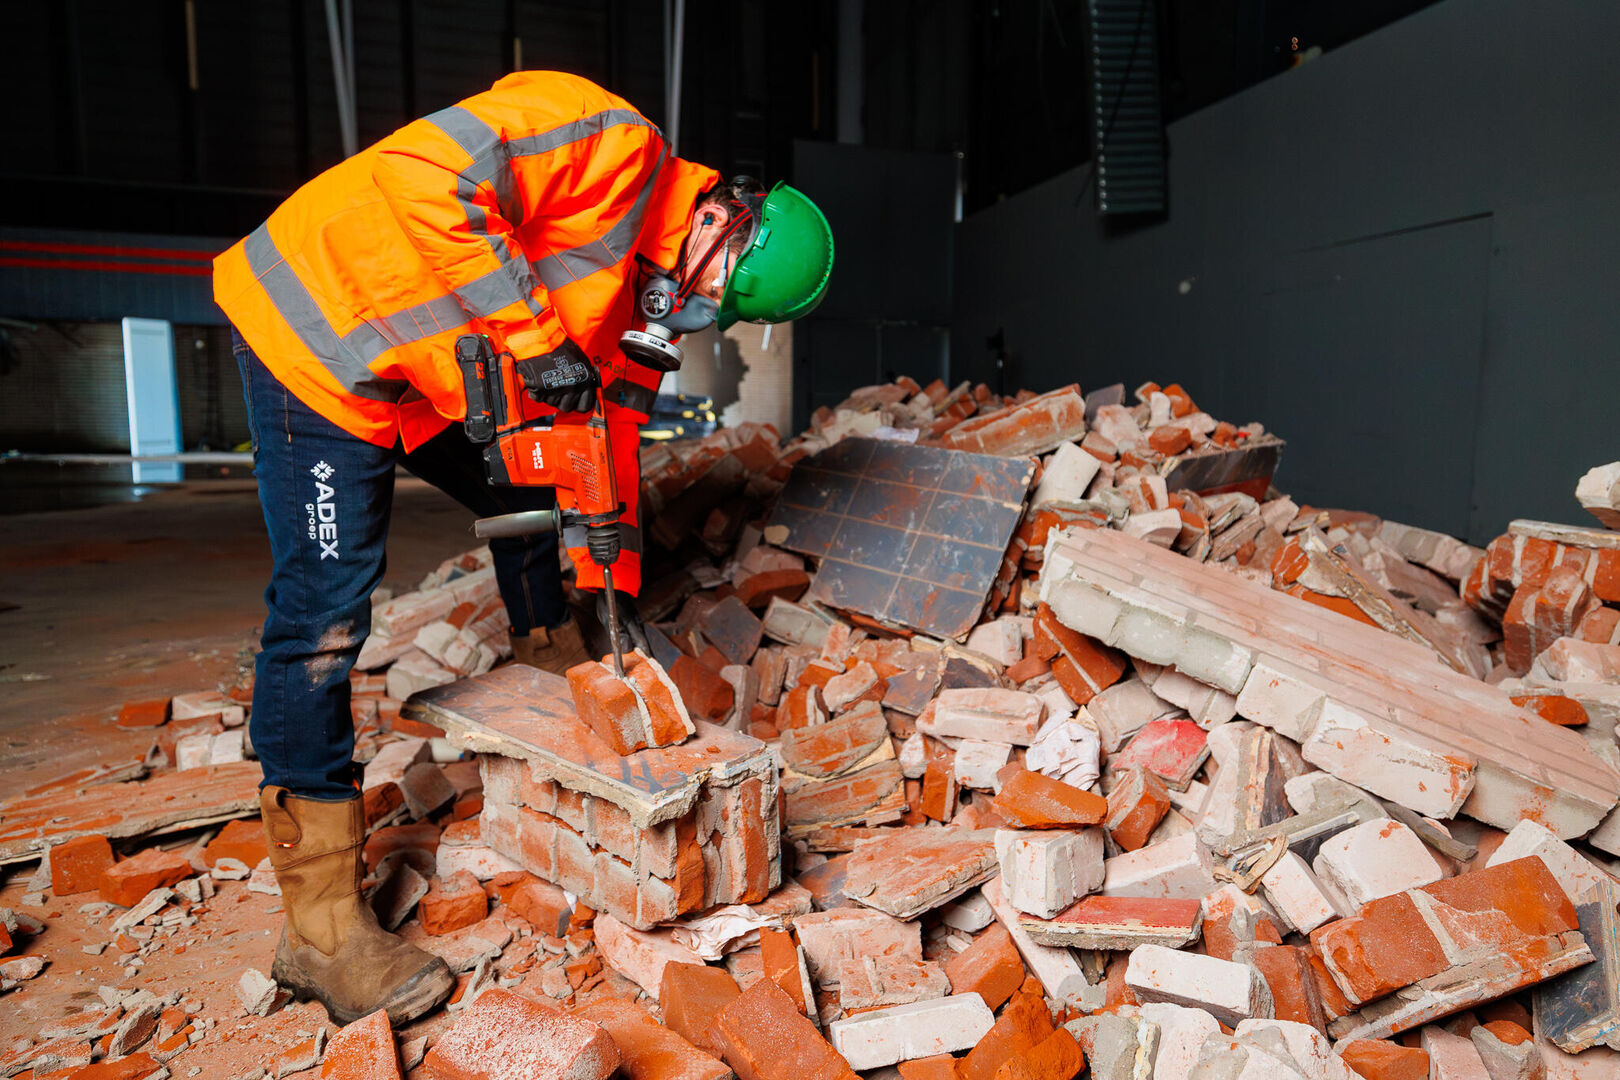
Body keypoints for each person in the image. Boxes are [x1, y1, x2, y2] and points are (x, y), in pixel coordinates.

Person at [212, 69, 832, 1024]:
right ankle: (322, 928)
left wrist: (607, 574)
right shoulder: (604, 137)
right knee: (326, 609)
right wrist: (536, 336)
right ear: (724, 216)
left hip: (413, 373)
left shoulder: (644, 299)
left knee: (540, 487)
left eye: (724, 306)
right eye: (719, 286)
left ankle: (558, 655)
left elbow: (604, 445)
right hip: (319, 330)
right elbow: (425, 178)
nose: (704, 307)